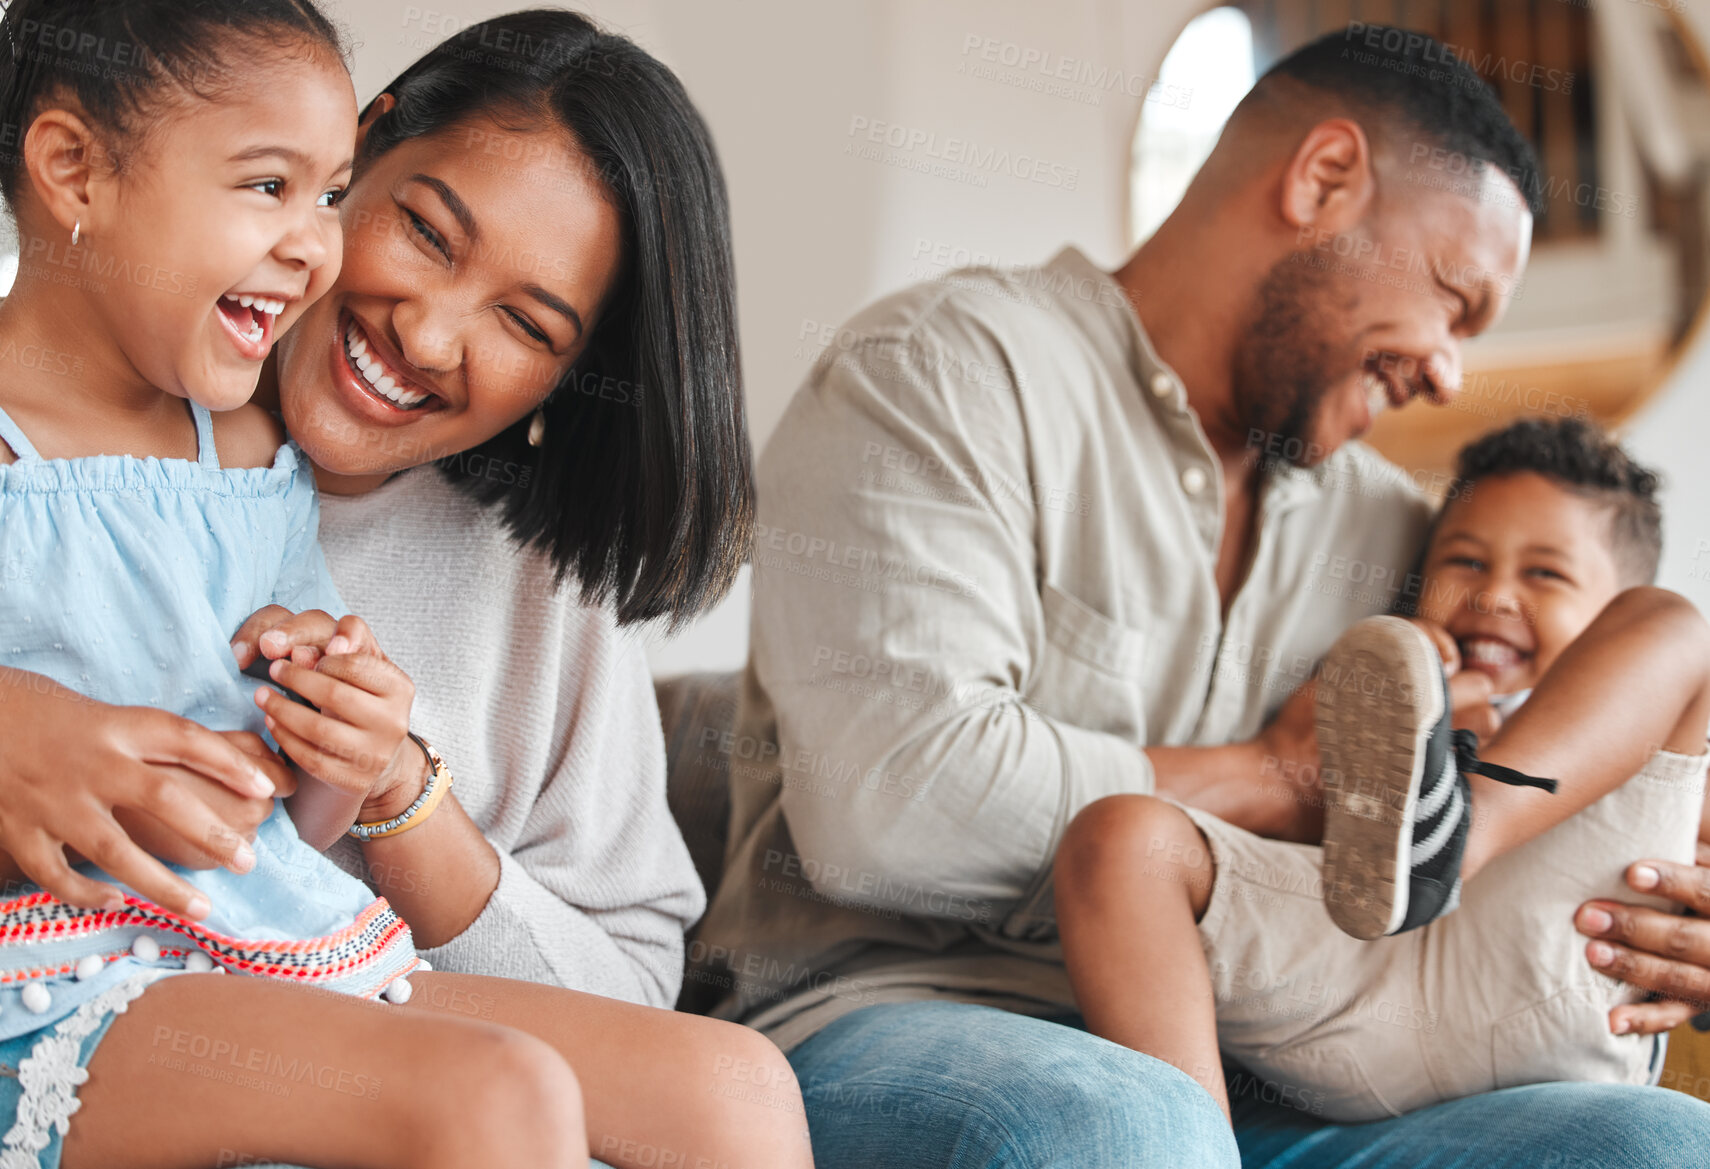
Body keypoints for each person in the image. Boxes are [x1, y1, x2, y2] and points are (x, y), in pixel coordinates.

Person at [695, 25, 1710, 1169]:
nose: (1449, 370)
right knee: (1124, 1120)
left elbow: (1541, 739)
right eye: (1453, 298)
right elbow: (888, 807)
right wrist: (1274, 776)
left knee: (1658, 1142)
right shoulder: (942, 375)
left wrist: (1670, 899)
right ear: (1324, 179)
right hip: (895, 1017)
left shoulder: (1389, 527)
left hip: (1263, 1054)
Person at [0, 6, 811, 1169]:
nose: (429, 336)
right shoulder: (210, 430)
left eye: (527, 323)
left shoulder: (236, 459)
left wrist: (370, 767)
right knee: (492, 1089)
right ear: (370, 152)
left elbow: (284, 800)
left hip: (278, 945)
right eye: (426, 233)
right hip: (81, 973)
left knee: (734, 1087)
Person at [1054, 418, 1710, 1121]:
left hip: (1559, 975)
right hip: (1360, 995)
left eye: (1544, 572)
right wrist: (1393, 714)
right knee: (1118, 837)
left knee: (1674, 623)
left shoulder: (1654, 725)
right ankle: (1186, 1143)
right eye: (1464, 562)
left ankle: (1454, 833)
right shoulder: (1381, 697)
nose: (1492, 596)